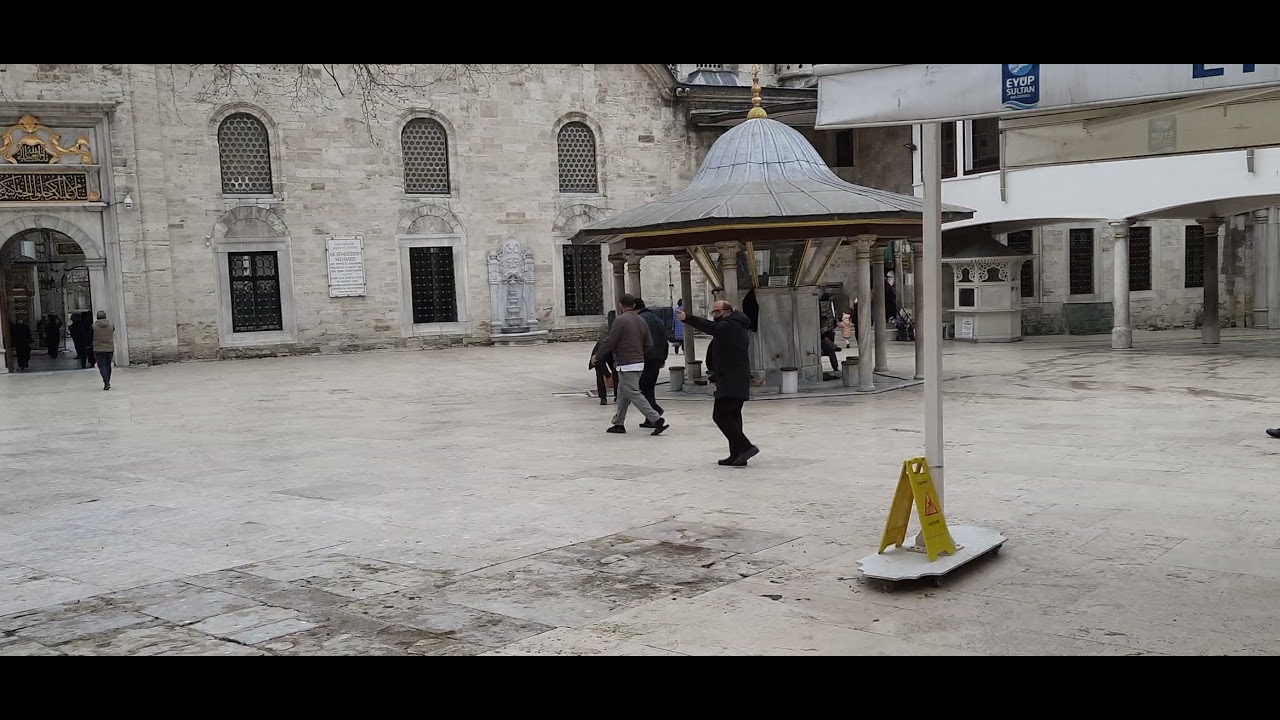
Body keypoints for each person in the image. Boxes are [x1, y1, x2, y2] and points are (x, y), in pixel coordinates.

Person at [677, 300, 758, 467]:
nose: (714, 315)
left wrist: (688, 318)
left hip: (732, 381)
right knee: (733, 418)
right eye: (713, 312)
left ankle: (746, 447)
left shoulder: (729, 326)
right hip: (732, 379)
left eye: (717, 312)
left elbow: (710, 327)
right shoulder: (735, 326)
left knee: (720, 416)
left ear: (727, 311)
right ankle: (737, 455)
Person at [592, 294, 668, 435]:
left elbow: (610, 341)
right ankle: (618, 423)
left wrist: (597, 356)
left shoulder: (620, 321)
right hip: (637, 362)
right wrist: (639, 353)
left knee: (633, 392)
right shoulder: (641, 320)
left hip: (627, 363)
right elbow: (649, 343)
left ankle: (656, 419)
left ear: (621, 305)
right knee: (622, 393)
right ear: (633, 305)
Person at [634, 298, 668, 421]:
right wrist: (663, 357)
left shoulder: (640, 320)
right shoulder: (657, 320)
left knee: (642, 388)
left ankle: (655, 411)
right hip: (657, 357)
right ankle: (650, 418)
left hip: (646, 357)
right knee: (649, 388)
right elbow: (665, 340)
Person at [588, 334, 616, 406]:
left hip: (611, 354)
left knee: (616, 372)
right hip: (599, 357)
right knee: (600, 375)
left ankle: (617, 395)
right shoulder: (600, 349)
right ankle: (603, 398)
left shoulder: (616, 344)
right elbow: (598, 362)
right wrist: (607, 375)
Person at [91, 310, 115, 391]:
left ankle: (106, 382)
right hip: (109, 348)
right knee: (108, 365)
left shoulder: (93, 326)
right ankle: (108, 380)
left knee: (102, 366)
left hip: (98, 349)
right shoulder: (111, 325)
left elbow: (91, 336)